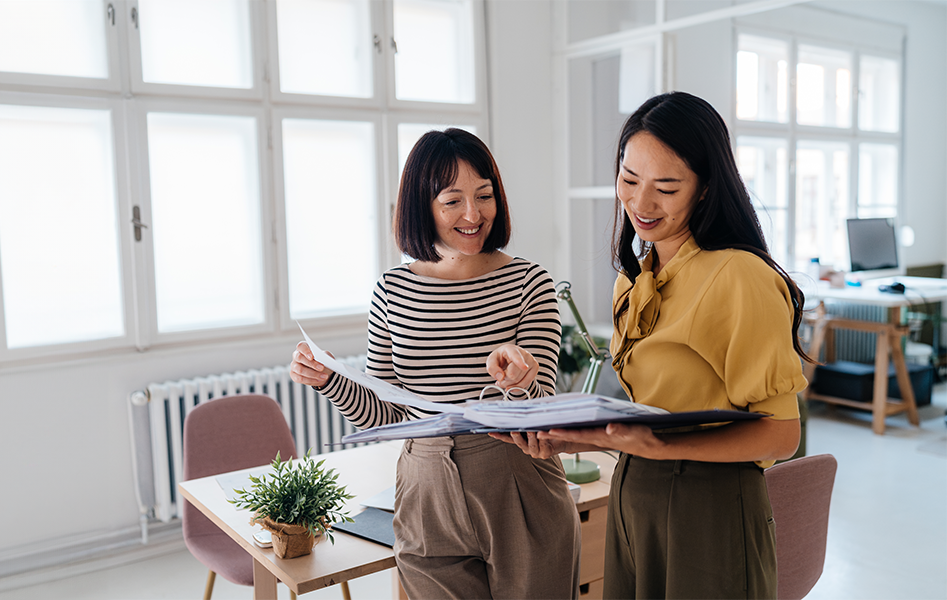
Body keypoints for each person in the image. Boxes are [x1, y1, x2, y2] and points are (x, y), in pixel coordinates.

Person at [499, 91, 807, 599]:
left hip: (710, 507)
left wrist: (664, 446)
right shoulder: (633, 281)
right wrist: (575, 440)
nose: (641, 204)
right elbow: (651, 418)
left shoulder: (739, 276)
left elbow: (781, 437)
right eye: (629, 179)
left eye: (666, 187)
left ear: (706, 188)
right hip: (632, 495)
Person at [289, 128, 577, 599]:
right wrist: (329, 380)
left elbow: (540, 404)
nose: (473, 214)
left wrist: (521, 378)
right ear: (422, 206)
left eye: (484, 196)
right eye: (453, 201)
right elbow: (387, 414)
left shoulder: (529, 282)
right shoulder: (392, 290)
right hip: (424, 488)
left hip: (517, 478)